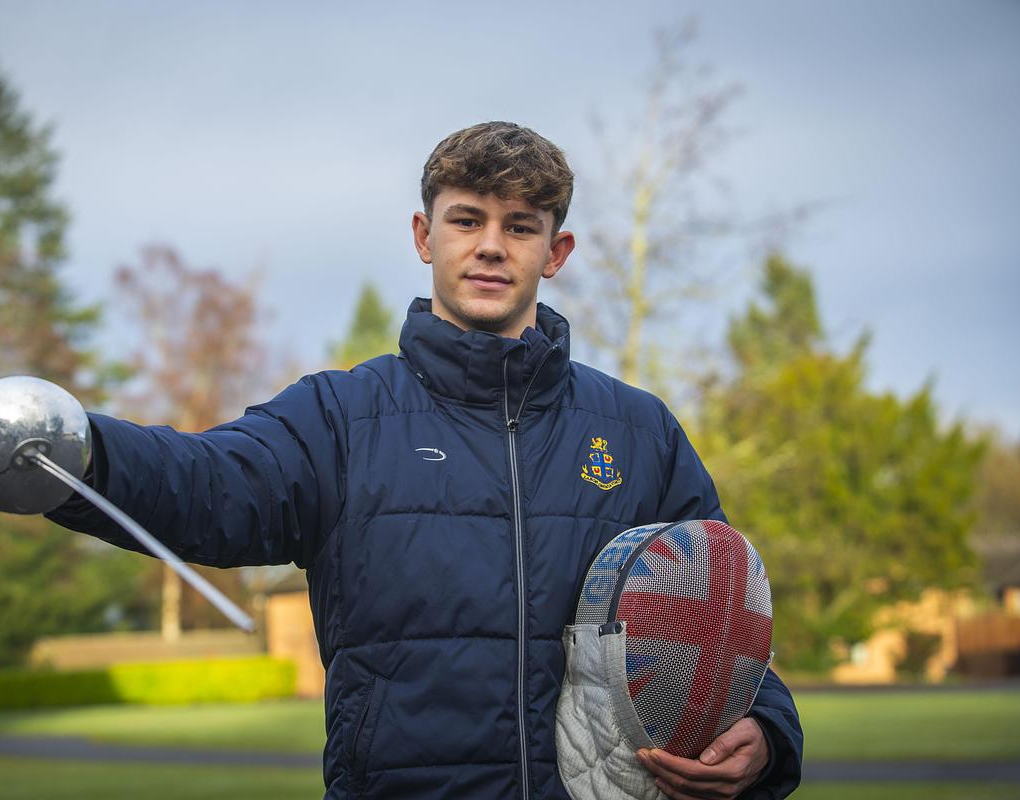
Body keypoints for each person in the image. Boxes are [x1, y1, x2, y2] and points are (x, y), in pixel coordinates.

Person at [46, 121, 802, 799]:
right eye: (466, 220)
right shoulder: (340, 417)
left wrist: (767, 732)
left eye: (521, 226)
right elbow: (206, 483)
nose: (491, 246)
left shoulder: (639, 432)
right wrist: (76, 450)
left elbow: (721, 612)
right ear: (423, 235)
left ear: (557, 251)